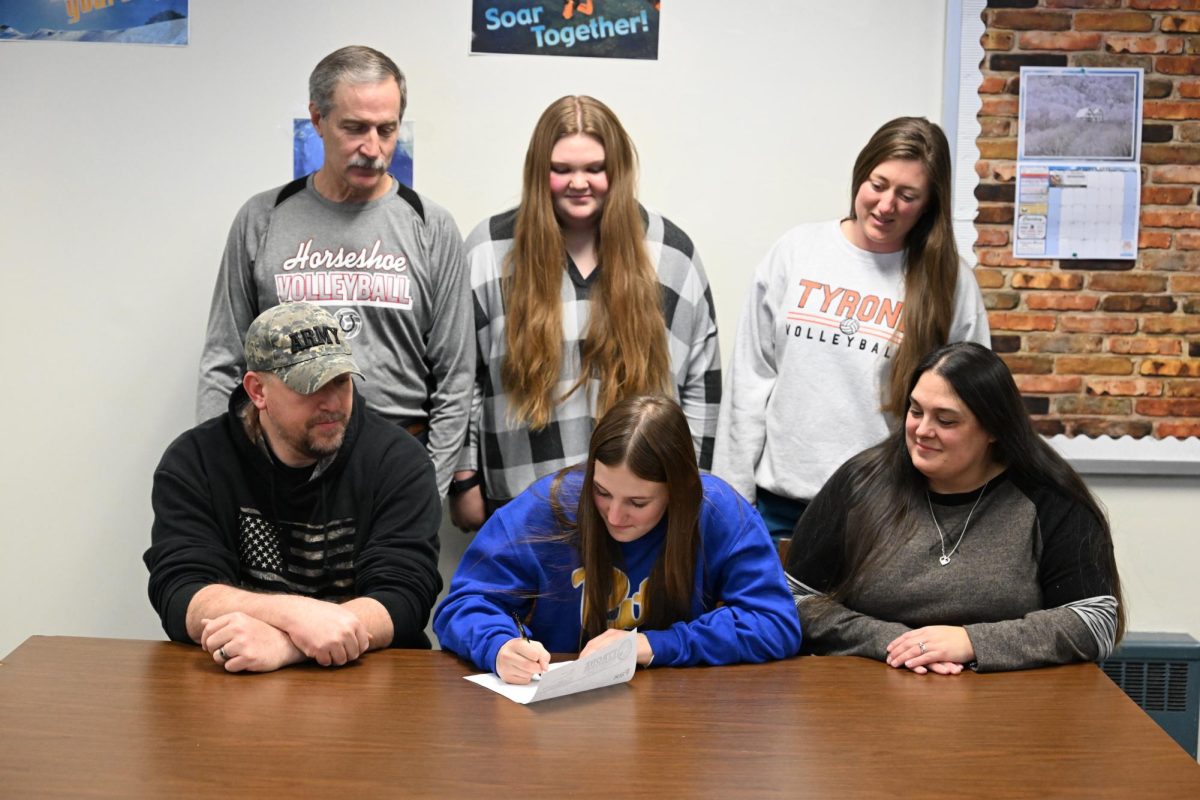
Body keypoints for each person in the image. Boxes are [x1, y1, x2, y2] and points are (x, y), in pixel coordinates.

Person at [196, 45, 472, 496]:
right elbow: (224, 359)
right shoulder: (263, 218)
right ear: (318, 119)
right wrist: (217, 472)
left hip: (394, 462)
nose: (373, 148)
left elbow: (456, 375)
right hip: (278, 461)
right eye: (354, 128)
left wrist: (429, 488)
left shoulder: (430, 225)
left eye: (387, 129)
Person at [448, 95, 720, 530]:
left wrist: (693, 486)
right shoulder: (489, 250)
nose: (580, 182)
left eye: (595, 168)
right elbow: (463, 379)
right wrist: (463, 481)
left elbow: (701, 388)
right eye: (562, 170)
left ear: (617, 170)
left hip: (639, 510)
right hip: (521, 504)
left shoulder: (670, 253)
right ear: (540, 171)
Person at [713, 116, 990, 539]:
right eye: (878, 185)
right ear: (861, 176)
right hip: (777, 511)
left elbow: (974, 410)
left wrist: (952, 512)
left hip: (886, 512)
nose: (886, 205)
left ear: (930, 203)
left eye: (907, 195)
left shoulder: (949, 283)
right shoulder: (796, 251)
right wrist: (731, 502)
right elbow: (749, 383)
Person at [785, 342, 1124, 674]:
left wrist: (972, 642)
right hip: (870, 695)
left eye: (945, 421)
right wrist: (896, 641)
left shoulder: (1051, 499)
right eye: (916, 411)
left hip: (1014, 704)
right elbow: (792, 599)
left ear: (994, 429)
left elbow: (1095, 622)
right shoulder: (861, 483)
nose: (922, 430)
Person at [147, 302, 442, 673]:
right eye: (311, 386)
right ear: (258, 391)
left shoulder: (399, 460)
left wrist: (286, 644)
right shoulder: (195, 461)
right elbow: (181, 594)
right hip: (237, 686)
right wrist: (295, 614)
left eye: (341, 380)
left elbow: (404, 596)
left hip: (370, 682)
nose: (333, 403)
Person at [434, 395, 801, 684]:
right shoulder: (549, 506)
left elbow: (775, 623)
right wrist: (499, 645)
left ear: (679, 492)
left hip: (677, 715)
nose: (613, 516)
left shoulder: (717, 512)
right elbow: (463, 603)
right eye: (602, 492)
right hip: (555, 710)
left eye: (637, 503)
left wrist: (651, 644)